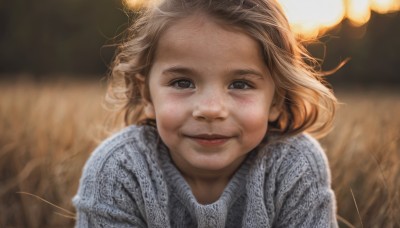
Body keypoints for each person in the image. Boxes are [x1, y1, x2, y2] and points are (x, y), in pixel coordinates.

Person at [73, 0, 339, 227]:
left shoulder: (294, 166)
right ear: (147, 95)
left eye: (240, 84)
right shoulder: (119, 169)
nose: (211, 110)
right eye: (182, 83)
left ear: (276, 101)